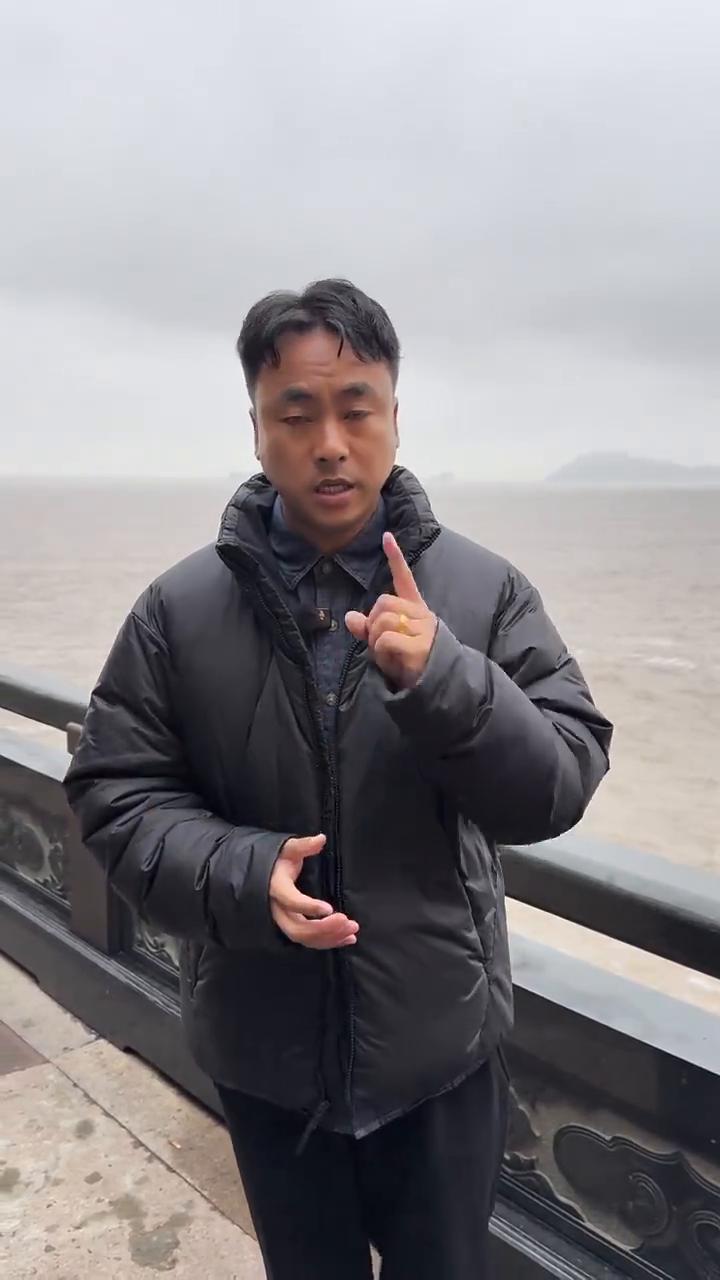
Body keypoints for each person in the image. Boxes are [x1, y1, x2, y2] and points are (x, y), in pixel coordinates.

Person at [64, 279, 612, 1279]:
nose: (329, 444)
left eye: (357, 410)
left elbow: (562, 779)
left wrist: (445, 679)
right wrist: (243, 873)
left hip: (440, 1053)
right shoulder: (178, 611)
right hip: (266, 1056)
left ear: (396, 415)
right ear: (255, 427)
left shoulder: (484, 594)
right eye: (296, 413)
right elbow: (114, 789)